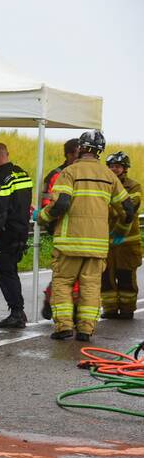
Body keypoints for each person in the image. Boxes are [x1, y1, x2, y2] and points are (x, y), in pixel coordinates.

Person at [36, 130, 136, 341]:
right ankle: (85, 330)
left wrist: (42, 216)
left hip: (69, 243)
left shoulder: (69, 172)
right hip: (97, 245)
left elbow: (61, 203)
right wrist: (120, 231)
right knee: (91, 286)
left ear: (81, 148)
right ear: (100, 151)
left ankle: (64, 327)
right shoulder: (109, 176)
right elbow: (128, 208)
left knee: (62, 282)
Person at [0, 143, 34, 329]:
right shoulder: (22, 173)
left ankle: (16, 313)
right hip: (21, 229)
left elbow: (0, 211)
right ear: (8, 154)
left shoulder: (0, 178)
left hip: (6, 232)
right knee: (11, 271)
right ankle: (18, 311)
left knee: (6, 273)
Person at [40, 138, 82, 319]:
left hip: (83, 231)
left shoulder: (85, 173)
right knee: (64, 274)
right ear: (69, 154)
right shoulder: (58, 175)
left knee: (81, 276)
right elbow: (48, 203)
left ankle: (74, 312)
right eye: (78, 154)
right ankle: (53, 301)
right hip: (63, 231)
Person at [101, 151, 142, 318]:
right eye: (110, 166)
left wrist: (110, 208)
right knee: (106, 277)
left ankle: (127, 310)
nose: (113, 169)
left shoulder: (133, 186)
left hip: (127, 243)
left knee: (126, 277)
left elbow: (129, 209)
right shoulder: (103, 185)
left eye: (117, 166)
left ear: (125, 169)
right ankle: (110, 309)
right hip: (106, 242)